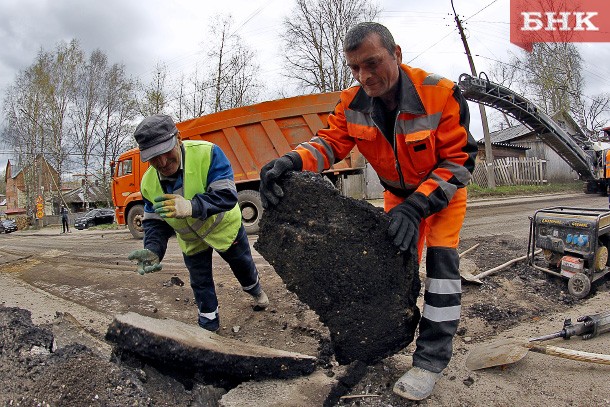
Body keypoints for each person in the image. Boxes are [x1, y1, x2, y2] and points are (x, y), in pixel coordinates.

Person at [259, 22, 477, 401]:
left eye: (372, 63)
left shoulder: (440, 94)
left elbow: (460, 162)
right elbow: (329, 143)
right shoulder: (353, 102)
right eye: (356, 68)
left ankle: (429, 362)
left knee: (442, 272)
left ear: (396, 54)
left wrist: (418, 206)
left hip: (439, 197)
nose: (365, 76)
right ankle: (381, 341)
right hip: (396, 198)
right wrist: (291, 161)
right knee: (393, 270)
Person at [128, 114, 269, 333]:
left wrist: (191, 206)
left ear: (178, 138)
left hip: (224, 229)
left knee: (243, 266)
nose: (162, 163)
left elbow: (227, 195)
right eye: (154, 157)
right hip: (192, 240)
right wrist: (153, 249)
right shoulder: (148, 183)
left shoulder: (208, 153)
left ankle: (255, 290)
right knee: (200, 282)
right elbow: (155, 223)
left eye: (166, 152)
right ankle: (208, 326)